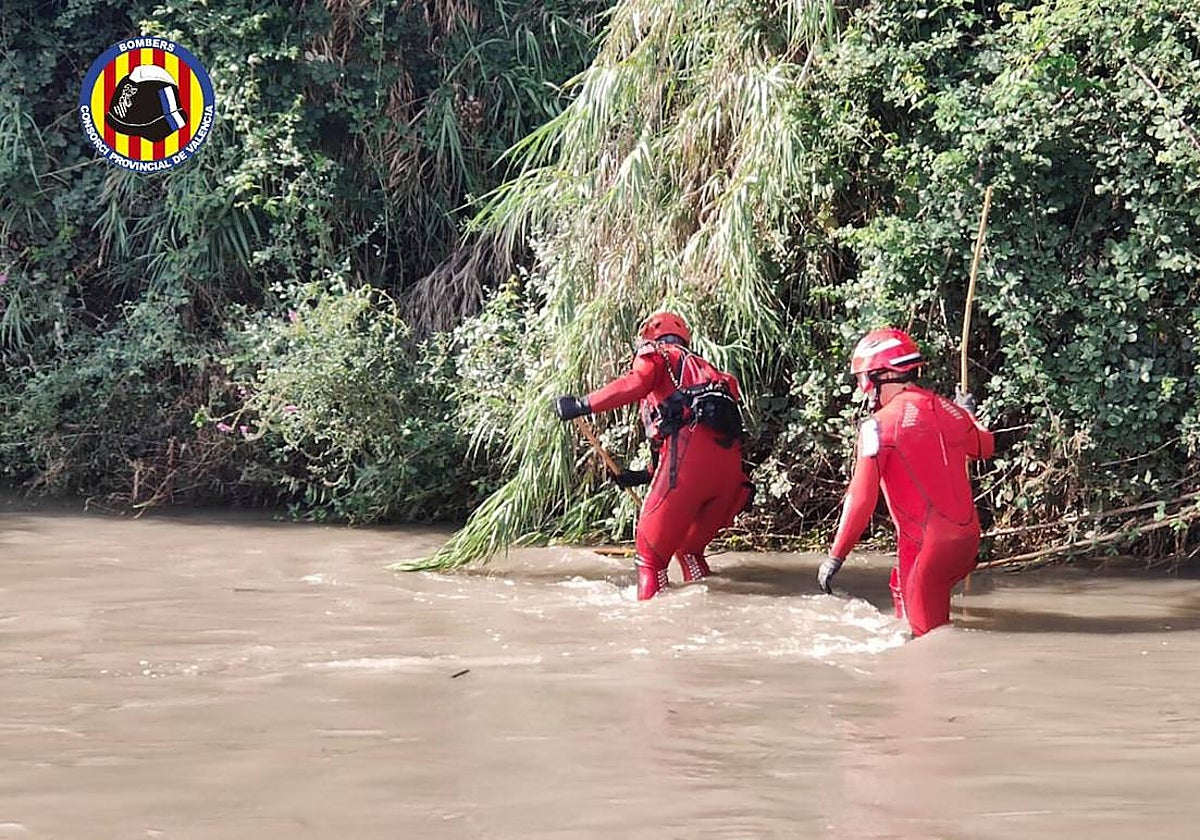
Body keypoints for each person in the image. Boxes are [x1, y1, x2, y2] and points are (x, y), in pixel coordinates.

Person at [552, 311, 753, 600]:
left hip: (688, 467)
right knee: (689, 552)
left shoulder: (657, 354)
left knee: (650, 560)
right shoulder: (715, 374)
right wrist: (641, 476)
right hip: (730, 482)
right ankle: (712, 610)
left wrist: (582, 404)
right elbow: (691, 439)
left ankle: (652, 631)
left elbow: (636, 385)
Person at [817, 327, 995, 637]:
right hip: (967, 542)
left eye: (863, 379)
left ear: (883, 376)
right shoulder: (951, 410)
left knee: (927, 643)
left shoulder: (876, 427)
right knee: (901, 584)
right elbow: (984, 447)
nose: (862, 390)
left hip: (929, 549)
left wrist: (835, 556)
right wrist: (969, 414)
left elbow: (861, 500)